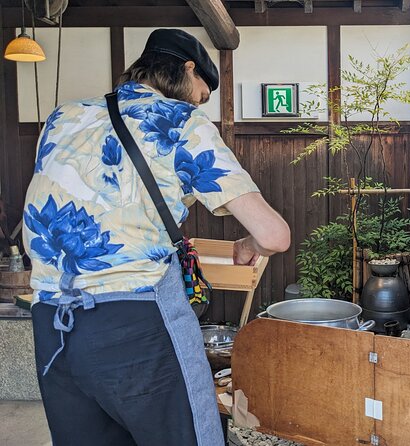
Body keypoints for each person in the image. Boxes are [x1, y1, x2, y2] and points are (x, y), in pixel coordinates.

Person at [23, 29, 290, 445]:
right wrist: (247, 245)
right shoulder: (179, 119)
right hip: (137, 322)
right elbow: (274, 235)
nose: (198, 103)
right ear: (187, 68)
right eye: (201, 93)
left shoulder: (64, 116)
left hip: (53, 325)